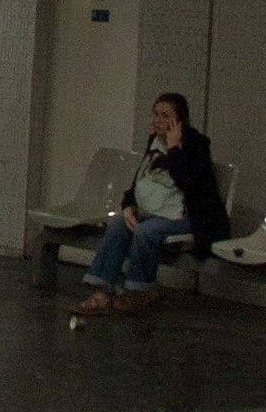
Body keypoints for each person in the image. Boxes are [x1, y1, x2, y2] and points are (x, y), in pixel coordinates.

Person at [71, 93, 226, 315]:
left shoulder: (196, 145)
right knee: (117, 225)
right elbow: (140, 182)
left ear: (179, 120)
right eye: (155, 115)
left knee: (146, 231)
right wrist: (128, 206)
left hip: (187, 217)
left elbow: (190, 184)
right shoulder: (153, 143)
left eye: (165, 116)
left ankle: (139, 291)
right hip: (152, 212)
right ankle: (102, 291)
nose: (158, 120)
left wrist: (173, 149)